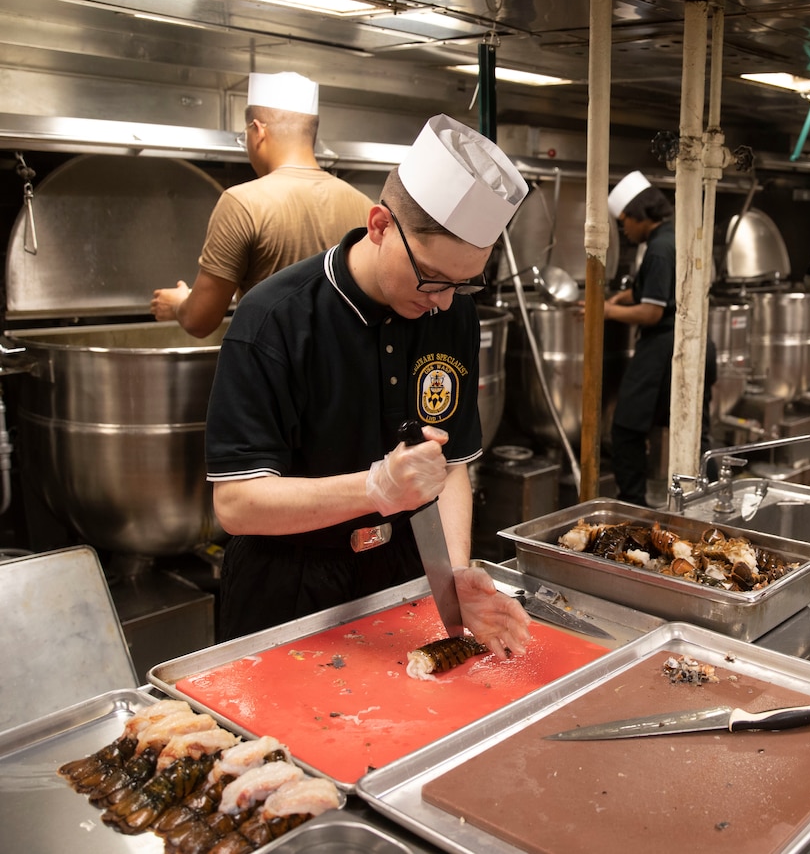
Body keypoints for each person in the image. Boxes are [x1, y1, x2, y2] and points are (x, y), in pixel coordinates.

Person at [204, 114, 531, 653]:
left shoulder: (453, 315)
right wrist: (374, 489)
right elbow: (237, 503)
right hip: (287, 592)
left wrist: (451, 575)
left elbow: (448, 468)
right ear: (380, 225)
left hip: (400, 581)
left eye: (462, 284)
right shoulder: (274, 320)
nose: (443, 300)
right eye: (432, 277)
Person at [152, 71, 373, 337]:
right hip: (342, 373)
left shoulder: (242, 203)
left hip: (274, 375)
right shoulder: (363, 206)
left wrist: (178, 304)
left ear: (257, 132)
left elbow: (200, 320)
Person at [601, 172, 678, 507]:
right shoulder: (672, 237)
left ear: (637, 215)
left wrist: (604, 311)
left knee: (627, 428)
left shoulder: (659, 249)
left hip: (663, 344)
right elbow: (650, 289)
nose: (625, 230)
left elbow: (652, 312)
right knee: (686, 427)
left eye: (624, 222)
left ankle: (632, 504)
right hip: (679, 344)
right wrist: (621, 297)